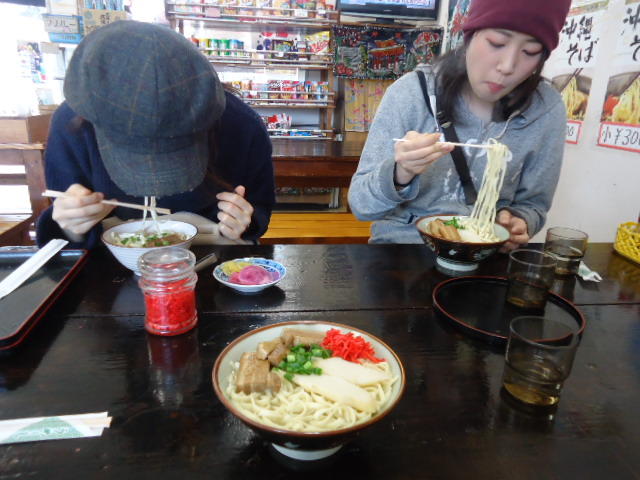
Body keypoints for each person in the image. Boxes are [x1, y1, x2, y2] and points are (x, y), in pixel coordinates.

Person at [348, 0, 571, 250]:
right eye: (497, 43)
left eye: (530, 51)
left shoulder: (546, 109)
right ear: (470, 36)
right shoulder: (411, 93)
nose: (507, 66)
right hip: (404, 250)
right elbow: (361, 206)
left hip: (485, 254)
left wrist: (520, 223)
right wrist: (401, 173)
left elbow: (533, 206)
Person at [36, 20, 275, 249]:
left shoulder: (242, 125)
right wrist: (72, 225)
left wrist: (246, 221)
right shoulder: (72, 125)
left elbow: (259, 207)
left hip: (213, 250)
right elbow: (64, 231)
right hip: (107, 258)